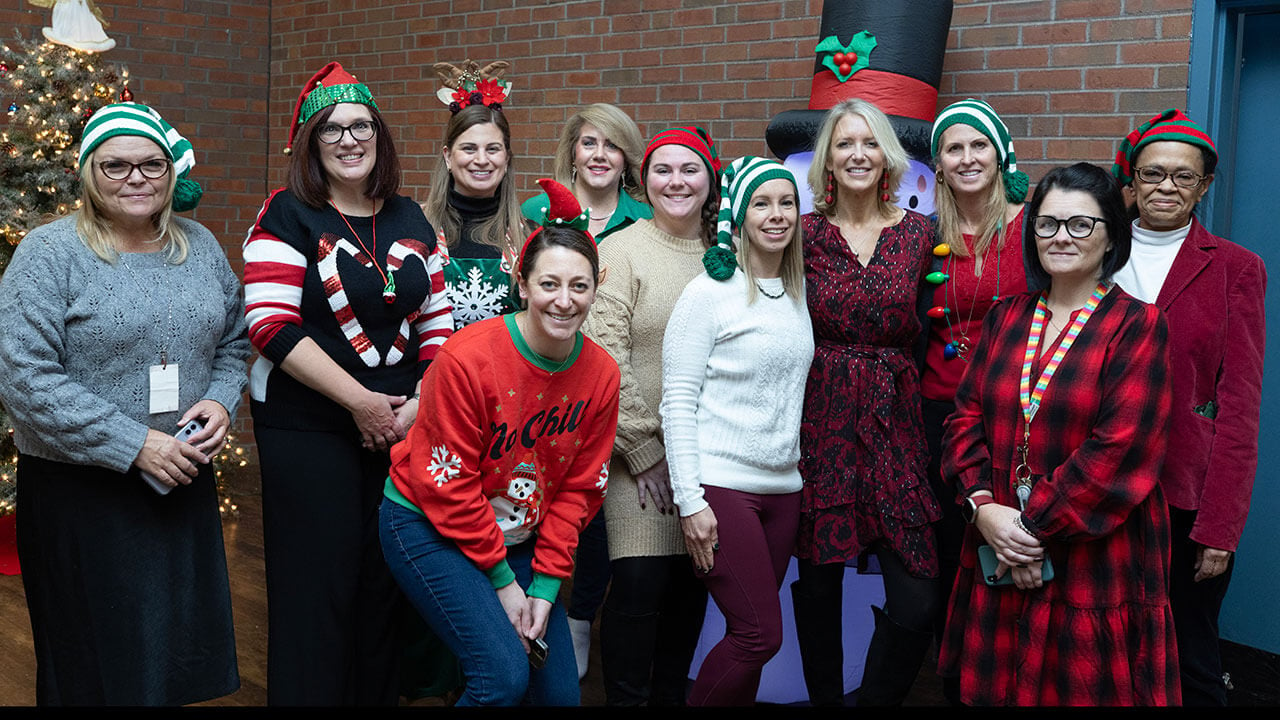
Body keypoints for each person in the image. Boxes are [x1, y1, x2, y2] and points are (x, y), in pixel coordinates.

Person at [0, 101, 246, 705]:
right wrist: (134, 443)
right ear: (88, 172)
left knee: (169, 654)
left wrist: (218, 400)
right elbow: (23, 376)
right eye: (115, 166)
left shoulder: (199, 245)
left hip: (179, 482)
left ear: (171, 171)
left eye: (151, 164)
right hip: (80, 494)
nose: (136, 178)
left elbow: (237, 341)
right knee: (92, 662)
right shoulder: (48, 253)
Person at [241, 62, 453, 706]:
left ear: (380, 137)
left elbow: (438, 325)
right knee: (319, 587)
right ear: (309, 142)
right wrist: (360, 402)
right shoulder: (288, 215)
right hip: (308, 429)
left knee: (383, 581)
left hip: (401, 428)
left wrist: (417, 404)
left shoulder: (411, 215)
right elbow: (268, 324)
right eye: (330, 129)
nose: (348, 139)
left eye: (361, 125)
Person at [939, 162, 1177, 706]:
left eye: (1080, 224)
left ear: (1112, 234)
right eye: (1047, 225)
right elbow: (963, 421)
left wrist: (1027, 533)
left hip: (1093, 552)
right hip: (998, 531)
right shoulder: (1006, 317)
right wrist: (982, 508)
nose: (1061, 237)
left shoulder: (1137, 326)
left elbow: (1119, 451)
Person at [379, 178, 620, 706]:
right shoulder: (468, 359)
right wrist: (505, 582)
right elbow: (451, 484)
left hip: (521, 537)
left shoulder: (601, 375)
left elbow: (580, 491)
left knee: (558, 698)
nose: (564, 300)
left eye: (579, 286)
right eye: (550, 284)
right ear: (524, 282)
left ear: (596, 287)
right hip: (427, 523)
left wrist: (545, 588)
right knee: (501, 676)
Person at [1111, 109, 1267, 706]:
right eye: (1153, 174)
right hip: (1098, 484)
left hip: (1184, 494)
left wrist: (1221, 529)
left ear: (1203, 186)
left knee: (1189, 655)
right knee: (1105, 646)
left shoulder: (1236, 268)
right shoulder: (1095, 250)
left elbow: (1240, 406)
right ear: (1132, 180)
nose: (1166, 188)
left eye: (1183, 177)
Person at [791, 97, 940, 707]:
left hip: (895, 424)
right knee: (819, 585)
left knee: (917, 598)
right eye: (845, 143)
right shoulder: (799, 234)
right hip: (820, 421)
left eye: (870, 143)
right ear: (827, 157)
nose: (857, 154)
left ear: (888, 157)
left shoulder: (922, 235)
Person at [659, 156, 814, 706]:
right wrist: (690, 501)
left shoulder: (796, 291)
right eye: (762, 204)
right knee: (758, 636)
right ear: (739, 215)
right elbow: (676, 401)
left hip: (783, 493)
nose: (777, 215)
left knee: (747, 638)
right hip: (723, 490)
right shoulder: (708, 293)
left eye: (787, 202)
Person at [583, 126, 722, 706]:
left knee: (690, 599)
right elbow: (604, 358)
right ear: (644, 179)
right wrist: (644, 452)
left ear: (710, 180)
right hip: (634, 460)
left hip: (709, 461)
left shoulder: (728, 254)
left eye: (689, 169)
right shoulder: (621, 250)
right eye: (662, 169)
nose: (676, 181)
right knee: (638, 590)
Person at [519, 101, 650, 679]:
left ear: (627, 159)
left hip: (599, 390)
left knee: (590, 509)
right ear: (572, 150)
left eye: (612, 145)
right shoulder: (532, 211)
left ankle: (576, 624)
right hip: (534, 385)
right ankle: (519, 613)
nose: (599, 155)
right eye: (589, 142)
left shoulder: (642, 219)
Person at [920, 98, 1031, 690]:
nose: (967, 158)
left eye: (978, 145)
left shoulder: (1033, 227)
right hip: (939, 416)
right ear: (938, 162)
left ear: (999, 153)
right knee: (947, 555)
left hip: (1018, 418)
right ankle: (955, 678)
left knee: (1011, 549)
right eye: (953, 148)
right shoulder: (923, 231)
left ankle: (1013, 675)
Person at [423, 96, 526, 330]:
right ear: (448, 156)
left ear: (507, 158)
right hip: (433, 365)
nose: (481, 160)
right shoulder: (418, 227)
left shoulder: (528, 236)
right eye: (469, 149)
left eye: (493, 149)